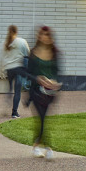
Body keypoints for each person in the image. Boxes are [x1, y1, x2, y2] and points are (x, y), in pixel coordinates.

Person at [25, 26, 61, 157]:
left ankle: (37, 145)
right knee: (42, 118)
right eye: (42, 35)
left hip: (50, 92)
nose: (45, 37)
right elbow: (27, 73)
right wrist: (38, 78)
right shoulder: (33, 53)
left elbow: (58, 72)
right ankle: (47, 146)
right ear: (39, 37)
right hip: (36, 91)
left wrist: (55, 82)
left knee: (43, 118)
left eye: (47, 35)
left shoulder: (55, 53)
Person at [1, 24, 30, 118]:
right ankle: (14, 112)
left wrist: (1, 70)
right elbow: (28, 53)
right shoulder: (22, 41)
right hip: (18, 68)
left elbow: (2, 58)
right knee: (17, 91)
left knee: (10, 89)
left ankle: (7, 104)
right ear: (16, 32)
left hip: (9, 69)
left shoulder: (5, 43)